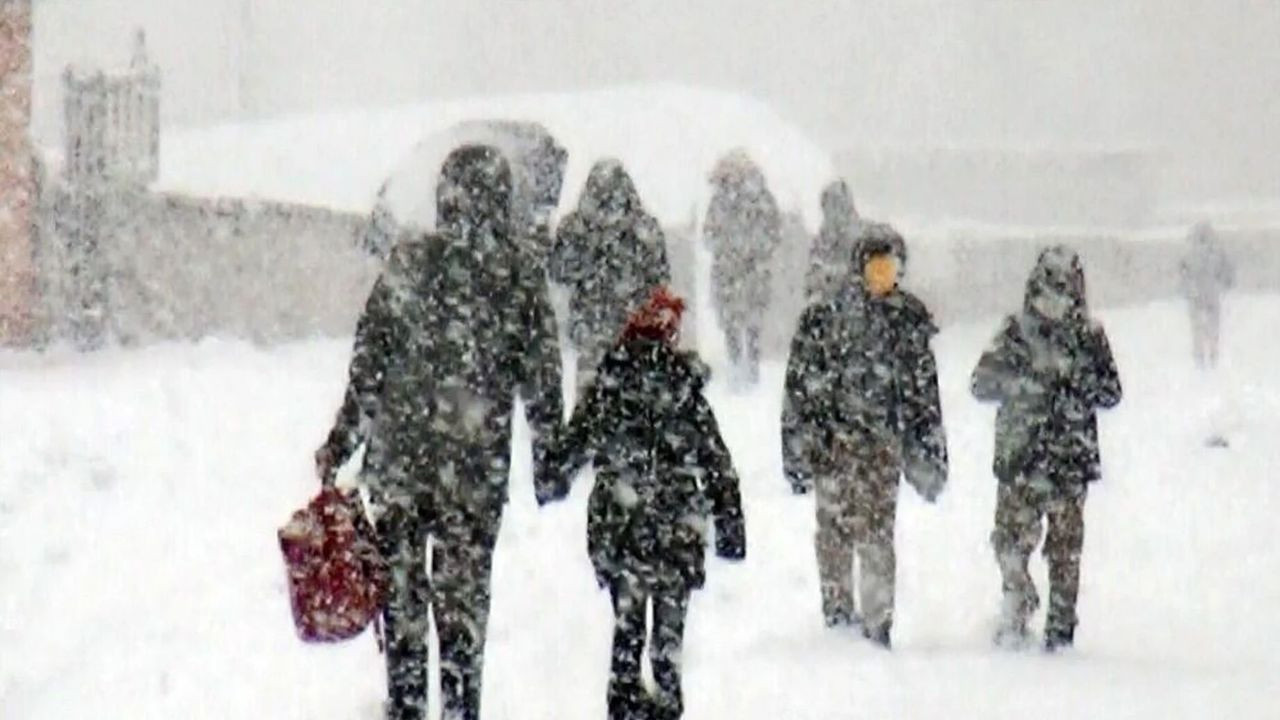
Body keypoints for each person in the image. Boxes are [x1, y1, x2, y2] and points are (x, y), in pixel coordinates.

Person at [314, 145, 564, 720]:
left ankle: (406, 706)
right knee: (462, 608)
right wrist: (549, 457)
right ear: (502, 201)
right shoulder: (518, 277)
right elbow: (542, 379)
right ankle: (459, 709)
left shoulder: (409, 263)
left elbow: (370, 362)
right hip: (474, 472)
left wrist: (343, 439)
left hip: (401, 467)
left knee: (402, 601)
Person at [543, 286, 746, 720]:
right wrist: (730, 524)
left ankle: (624, 704)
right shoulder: (683, 389)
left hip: (622, 526)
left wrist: (552, 477)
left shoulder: (610, 385)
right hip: (677, 526)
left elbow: (572, 445)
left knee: (627, 626)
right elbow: (716, 461)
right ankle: (666, 704)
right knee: (668, 638)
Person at [781, 224, 947, 648]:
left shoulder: (907, 322)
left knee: (876, 536)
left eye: (889, 270)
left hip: (880, 450)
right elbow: (799, 389)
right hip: (833, 445)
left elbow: (923, 397)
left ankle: (877, 625)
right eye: (875, 270)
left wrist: (928, 453)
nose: (882, 279)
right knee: (833, 533)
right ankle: (837, 616)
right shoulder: (825, 319)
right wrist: (798, 448)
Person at [971, 245, 1122, 652]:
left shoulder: (1089, 337)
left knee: (1065, 552)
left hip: (1068, 461)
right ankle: (1017, 604)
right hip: (1021, 459)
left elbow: (1110, 392)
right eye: (1048, 289)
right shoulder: (1014, 331)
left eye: (1064, 290)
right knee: (1009, 544)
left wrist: (1074, 385)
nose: (1055, 300)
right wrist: (1024, 382)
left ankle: (1060, 628)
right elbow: (981, 383)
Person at [550, 159, 671, 400]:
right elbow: (660, 277)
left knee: (590, 406)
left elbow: (559, 271)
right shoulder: (644, 229)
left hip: (594, 330)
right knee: (635, 408)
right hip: (634, 334)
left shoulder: (576, 228)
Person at [703, 150, 782, 385]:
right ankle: (737, 365)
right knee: (734, 321)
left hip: (747, 270)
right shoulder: (721, 200)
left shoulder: (758, 199)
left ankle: (749, 366)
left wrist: (746, 250)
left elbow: (772, 231)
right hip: (734, 271)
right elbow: (709, 233)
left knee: (749, 320)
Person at [1178, 221, 1234, 369]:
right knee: (1212, 327)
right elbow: (1226, 272)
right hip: (1211, 294)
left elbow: (1183, 275)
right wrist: (1226, 283)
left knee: (1197, 329)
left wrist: (1186, 290)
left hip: (1196, 295)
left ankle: (1200, 357)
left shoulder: (1188, 254)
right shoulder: (1216, 253)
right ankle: (1212, 355)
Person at [805, 179, 861, 303]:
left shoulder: (861, 238)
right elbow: (812, 278)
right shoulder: (820, 241)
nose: (834, 213)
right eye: (830, 207)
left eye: (839, 206)